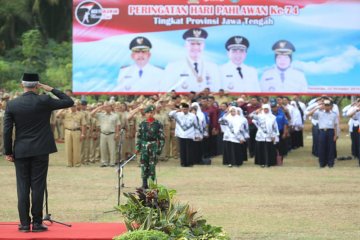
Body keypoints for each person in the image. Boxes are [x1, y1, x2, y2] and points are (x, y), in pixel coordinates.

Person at [3, 73, 74, 232]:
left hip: (21, 150)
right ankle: (36, 223)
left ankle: (23, 224)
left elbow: (7, 130)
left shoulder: (12, 104)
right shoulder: (44, 100)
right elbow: (69, 101)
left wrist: (8, 151)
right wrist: (51, 89)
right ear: (37, 85)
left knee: (22, 187)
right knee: (38, 186)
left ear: (23, 85)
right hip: (41, 150)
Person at [164, 28, 221, 92]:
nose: (196, 47)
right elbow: (167, 90)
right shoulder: (173, 67)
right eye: (192, 44)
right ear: (185, 45)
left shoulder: (213, 67)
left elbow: (217, 90)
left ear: (204, 46)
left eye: (199, 44)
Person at [136, 105, 165, 189]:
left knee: (152, 166)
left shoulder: (158, 124)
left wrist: (159, 149)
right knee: (143, 165)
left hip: (153, 147)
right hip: (144, 147)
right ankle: (144, 184)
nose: (149, 114)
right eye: (148, 112)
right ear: (145, 114)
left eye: (151, 112)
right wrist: (138, 147)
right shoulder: (142, 123)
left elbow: (162, 138)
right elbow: (139, 137)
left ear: (154, 113)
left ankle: (152, 184)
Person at [307, 99, 338, 168]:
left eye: (328, 105)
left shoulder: (334, 114)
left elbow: (335, 125)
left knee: (331, 148)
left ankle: (330, 163)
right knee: (321, 147)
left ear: (331, 106)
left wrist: (335, 135)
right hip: (322, 131)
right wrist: (317, 107)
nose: (326, 107)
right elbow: (309, 114)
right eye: (325, 105)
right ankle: (322, 163)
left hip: (331, 131)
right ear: (323, 106)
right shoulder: (319, 113)